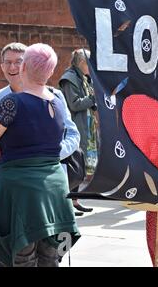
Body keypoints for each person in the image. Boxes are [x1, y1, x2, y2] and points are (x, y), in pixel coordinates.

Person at [0, 43, 80, 267]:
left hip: (21, 193)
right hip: (55, 191)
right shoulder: (58, 103)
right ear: (50, 72)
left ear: (23, 69)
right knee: (49, 259)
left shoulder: (11, 103)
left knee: (21, 259)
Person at [59, 49, 97, 214]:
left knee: (79, 165)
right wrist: (93, 99)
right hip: (74, 127)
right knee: (74, 165)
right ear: (82, 63)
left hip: (86, 125)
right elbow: (74, 104)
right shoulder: (69, 79)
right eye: (89, 63)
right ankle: (67, 202)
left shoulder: (83, 79)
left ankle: (74, 201)